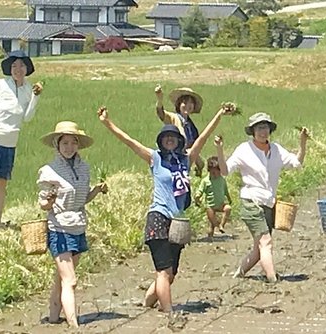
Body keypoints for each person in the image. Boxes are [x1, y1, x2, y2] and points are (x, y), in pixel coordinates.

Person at [98, 103, 230, 313]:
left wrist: (219, 114)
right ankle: (169, 312)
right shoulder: (155, 158)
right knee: (163, 271)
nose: (170, 139)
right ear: (161, 141)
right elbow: (129, 142)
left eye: (173, 137)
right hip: (158, 216)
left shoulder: (185, 160)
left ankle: (147, 303)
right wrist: (108, 123)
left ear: (179, 141)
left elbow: (203, 137)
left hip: (178, 221)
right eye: (166, 137)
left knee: (171, 274)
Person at [215, 113, 309, 282]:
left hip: (268, 204)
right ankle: (273, 278)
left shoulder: (277, 150)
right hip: (251, 202)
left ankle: (239, 274)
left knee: (260, 249)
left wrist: (303, 142)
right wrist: (220, 150)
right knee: (266, 241)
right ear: (252, 131)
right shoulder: (244, 149)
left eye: (265, 127)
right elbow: (225, 171)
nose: (263, 131)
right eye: (259, 128)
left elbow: (297, 163)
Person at [37, 122, 107, 327]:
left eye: (73, 142)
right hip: (59, 228)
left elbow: (82, 198)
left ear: (78, 145)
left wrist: (98, 190)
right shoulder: (49, 171)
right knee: (71, 280)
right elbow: (43, 203)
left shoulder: (84, 168)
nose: (69, 147)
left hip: (78, 226)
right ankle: (73, 324)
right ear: (57, 146)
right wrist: (48, 201)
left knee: (62, 278)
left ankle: (53, 316)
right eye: (64, 143)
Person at [0, 50, 43, 228]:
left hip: (9, 143)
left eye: (21, 65)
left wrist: (36, 98)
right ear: (9, 68)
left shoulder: (29, 89)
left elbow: (27, 117)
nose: (18, 69)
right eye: (14, 66)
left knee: (0, 183)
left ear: (26, 68)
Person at [154, 85, 205, 176]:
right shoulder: (174, 118)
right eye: (185, 103)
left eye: (191, 103)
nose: (187, 106)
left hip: (186, 159)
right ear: (179, 105)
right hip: (174, 159)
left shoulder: (191, 125)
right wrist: (159, 99)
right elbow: (161, 114)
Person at [194, 157, 232, 238]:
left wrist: (229, 198)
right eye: (213, 173)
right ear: (209, 171)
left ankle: (221, 225)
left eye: (217, 173)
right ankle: (211, 236)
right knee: (213, 223)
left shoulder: (222, 180)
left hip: (221, 204)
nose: (215, 175)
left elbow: (225, 190)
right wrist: (197, 197)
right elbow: (200, 190)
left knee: (228, 208)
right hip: (210, 206)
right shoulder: (206, 181)